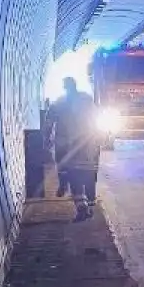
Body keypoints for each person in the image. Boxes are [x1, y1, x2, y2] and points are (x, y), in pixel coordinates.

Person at [48, 77, 102, 220]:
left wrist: (46, 140)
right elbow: (97, 118)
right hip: (89, 144)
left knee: (73, 175)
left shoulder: (59, 103)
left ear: (65, 87)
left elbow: (49, 121)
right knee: (89, 175)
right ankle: (89, 205)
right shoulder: (87, 100)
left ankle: (80, 205)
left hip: (67, 146)